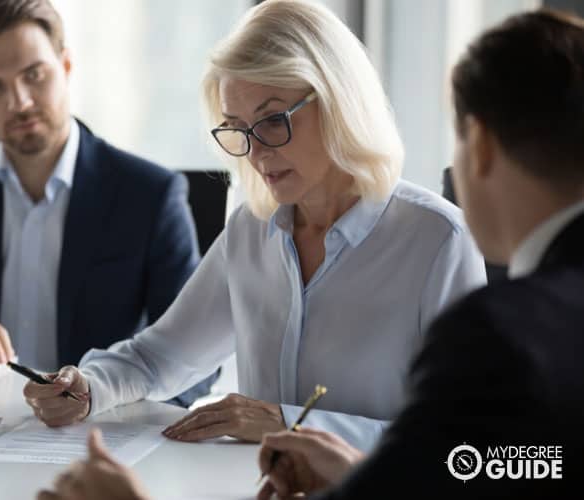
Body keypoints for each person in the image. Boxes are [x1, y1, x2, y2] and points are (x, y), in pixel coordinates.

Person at [37, 8, 584, 500]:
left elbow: (471, 456)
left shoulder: (438, 240)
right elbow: (160, 357)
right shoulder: (251, 231)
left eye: (274, 121)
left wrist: (290, 423)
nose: (255, 152)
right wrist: (89, 387)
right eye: (238, 130)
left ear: (338, 102)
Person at [0, 0, 217, 408]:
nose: (20, 101)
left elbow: (196, 362)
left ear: (65, 65)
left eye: (34, 75)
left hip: (98, 433)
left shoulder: (149, 194)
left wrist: (113, 400)